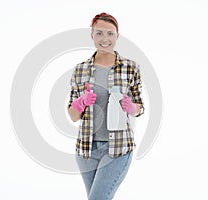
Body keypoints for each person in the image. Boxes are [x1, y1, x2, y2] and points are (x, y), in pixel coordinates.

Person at [67, 12, 144, 200]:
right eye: (99, 33)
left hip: (118, 148)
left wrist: (131, 107)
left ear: (117, 36)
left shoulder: (130, 67)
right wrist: (81, 102)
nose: (105, 39)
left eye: (110, 33)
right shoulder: (80, 70)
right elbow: (73, 115)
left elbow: (140, 107)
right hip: (86, 150)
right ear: (92, 35)